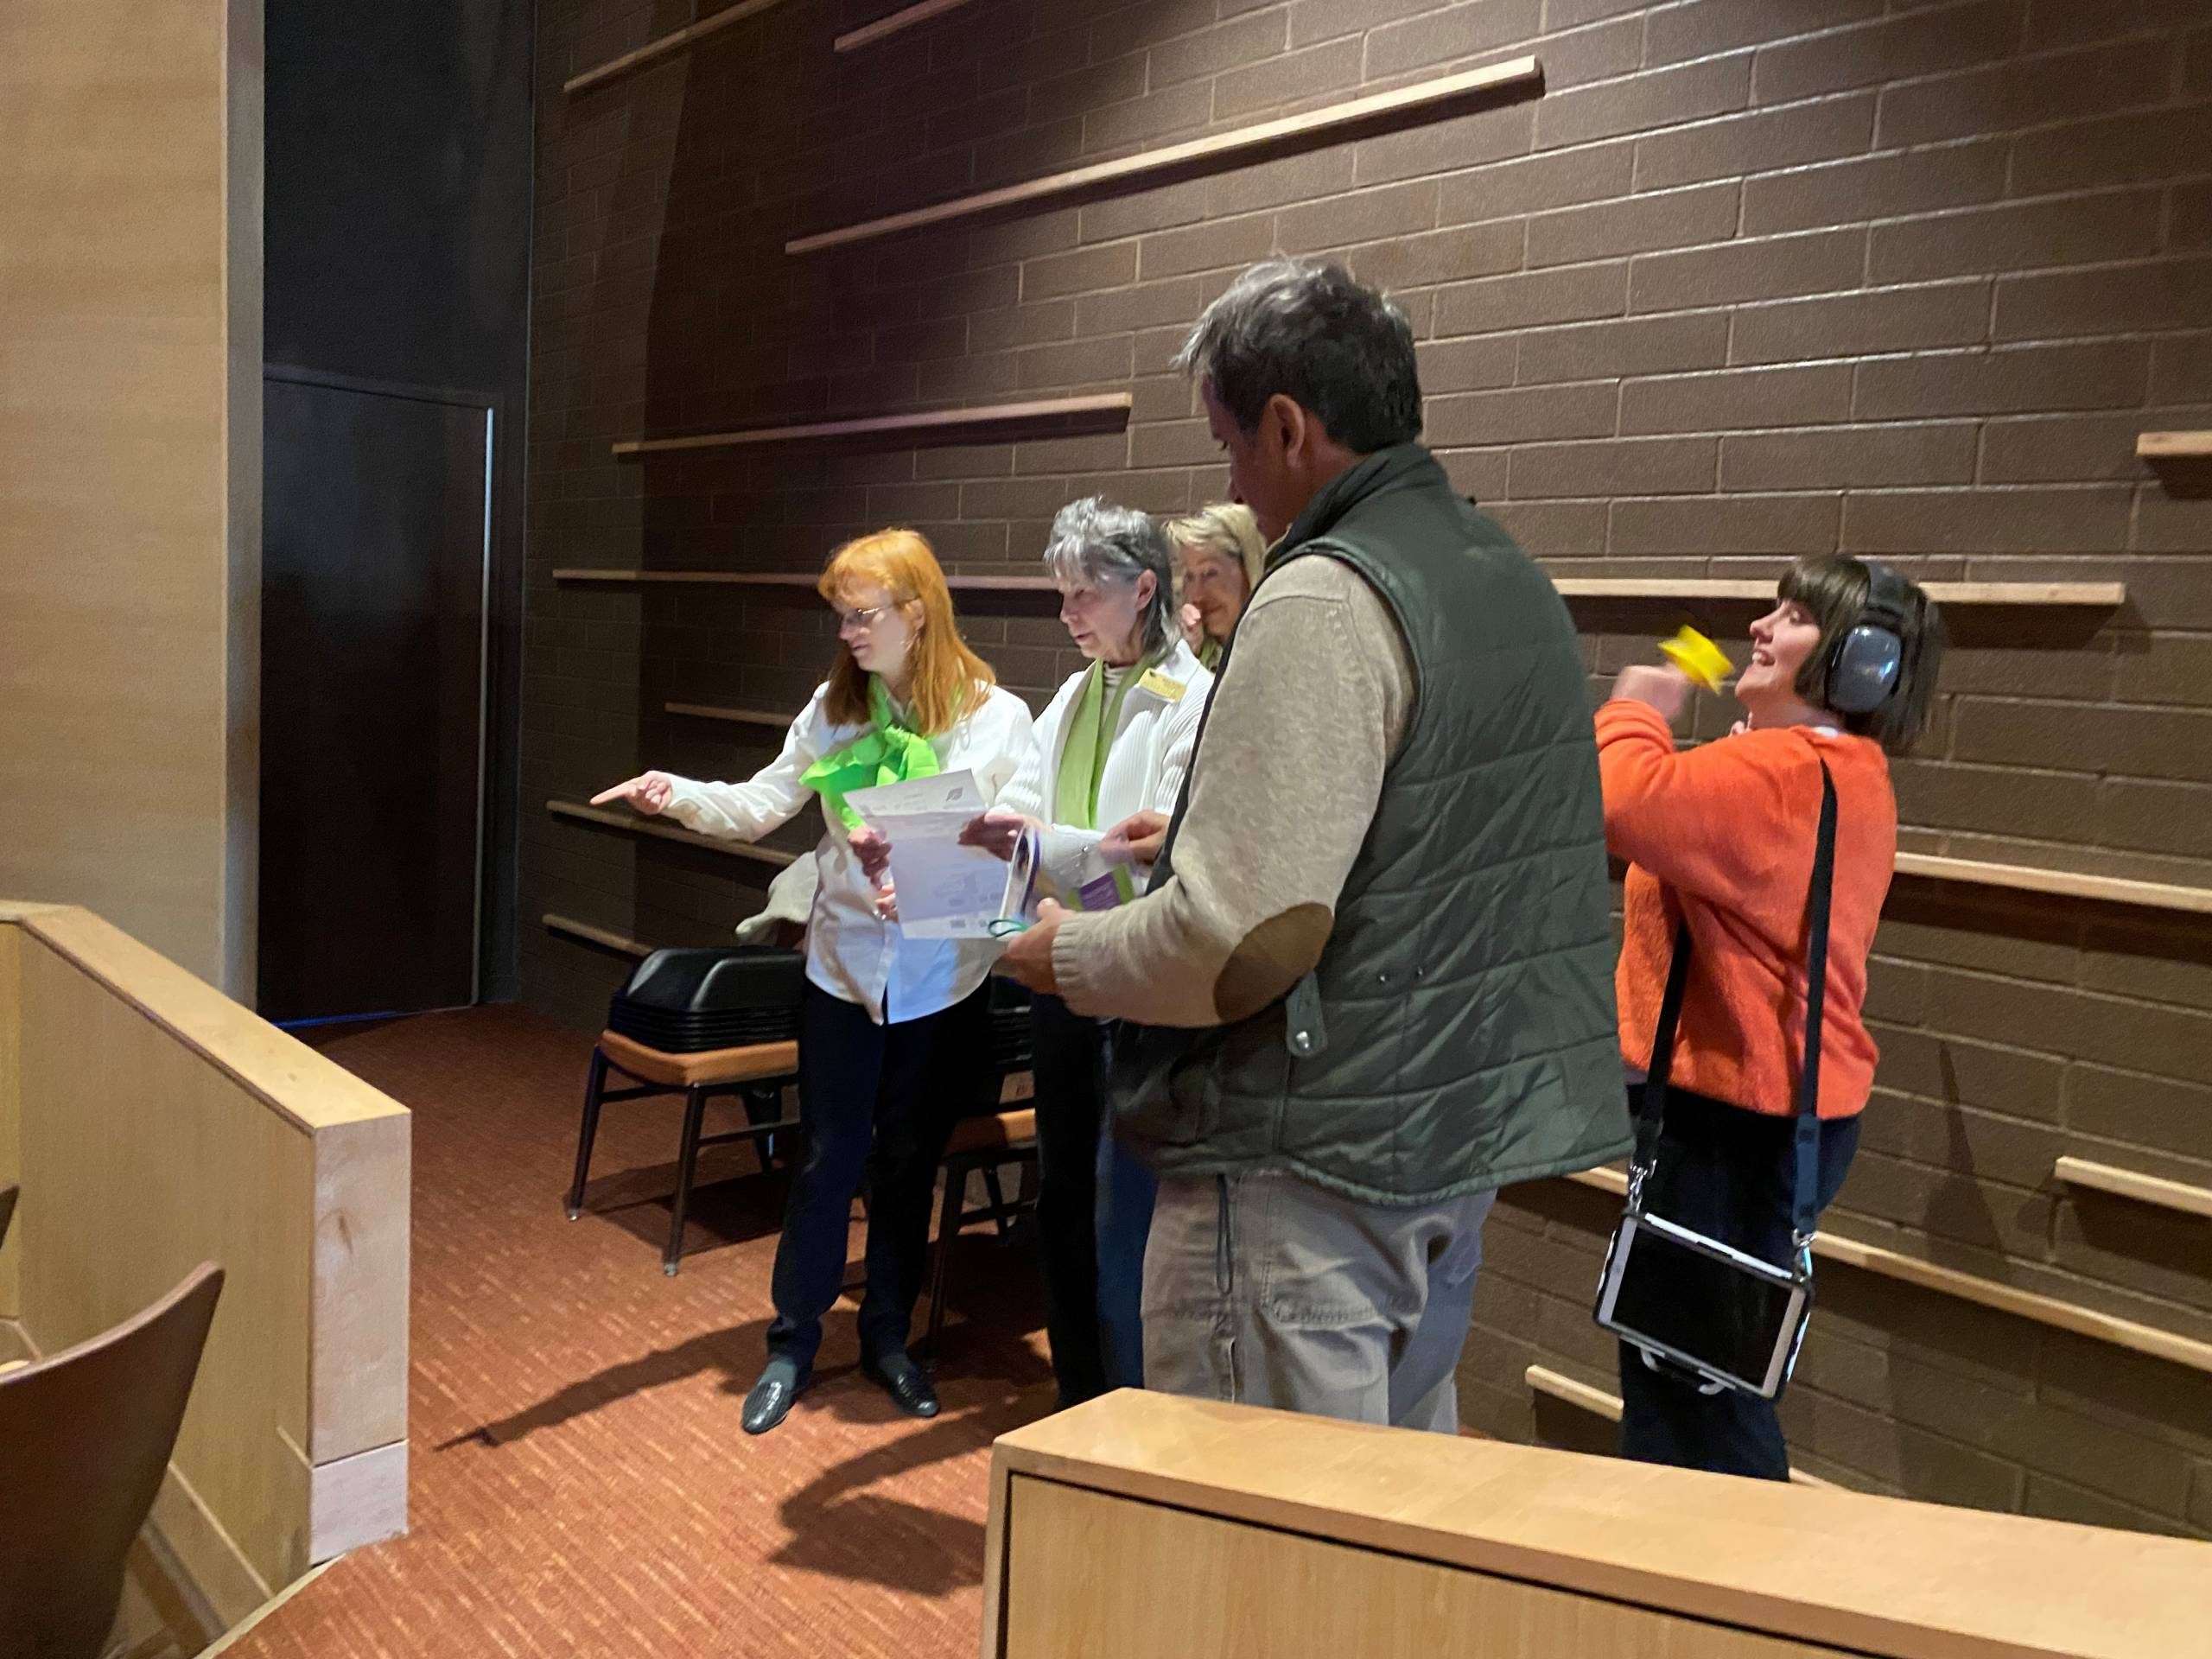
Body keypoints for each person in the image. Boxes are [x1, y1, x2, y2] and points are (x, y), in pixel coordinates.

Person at [995, 257, 1628, 1432]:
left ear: (1290, 426)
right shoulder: (1511, 582)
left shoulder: (1323, 595)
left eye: (1233, 445)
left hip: (1303, 1174)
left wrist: (1064, 957)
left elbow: (1232, 939)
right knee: (1376, 1539)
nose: (1231, 478)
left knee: (1262, 1576)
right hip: (1449, 1142)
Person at [592, 529, 1036, 1435]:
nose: (849, 633)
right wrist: (673, 792)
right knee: (826, 1163)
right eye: (840, 617)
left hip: (941, 980)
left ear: (918, 613)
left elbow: (1022, 845)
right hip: (840, 973)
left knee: (907, 1165)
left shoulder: (997, 718)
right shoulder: (835, 709)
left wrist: (955, 857)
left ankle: (887, 1340)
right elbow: (764, 804)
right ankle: (792, 1344)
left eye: (863, 615)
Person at [1598, 556, 1945, 1479]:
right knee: (1689, 1378)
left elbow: (1621, 799)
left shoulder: (1788, 771)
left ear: (1858, 662)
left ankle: (1720, 1592)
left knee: (1696, 1394)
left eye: (1792, 617)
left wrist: (1636, 707)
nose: (1759, 626)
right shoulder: (1822, 767)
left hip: (1736, 1130)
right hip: (1750, 1120)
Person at [960, 497, 1211, 1407]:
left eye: (1084, 593)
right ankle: (1075, 1398)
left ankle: (1127, 1404)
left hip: (1136, 982)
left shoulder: (1195, 701)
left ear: (1144, 588)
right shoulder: (1071, 692)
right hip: (1059, 973)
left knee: (1125, 1217)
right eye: (1059, 593)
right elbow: (1033, 811)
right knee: (1060, 1198)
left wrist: (1060, 844)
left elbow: (1165, 855)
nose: (1067, 613)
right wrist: (1003, 836)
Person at [1165, 502, 1266, 671]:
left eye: (1210, 574)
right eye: (1189, 577)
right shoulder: (1182, 648)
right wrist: (1183, 659)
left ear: (1249, 567)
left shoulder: (1279, 647)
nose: (1196, 595)